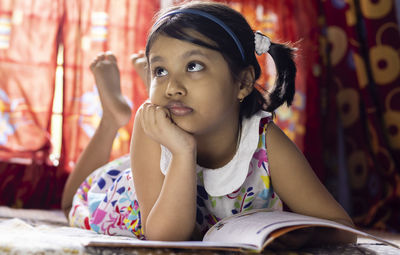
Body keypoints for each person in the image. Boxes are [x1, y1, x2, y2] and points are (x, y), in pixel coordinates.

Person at [61, 1, 356, 247]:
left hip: (165, 151)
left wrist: (300, 238)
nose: (173, 85)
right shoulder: (151, 129)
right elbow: (165, 236)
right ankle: (112, 119)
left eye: (193, 66)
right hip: (131, 199)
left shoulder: (265, 141)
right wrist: (181, 151)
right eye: (160, 70)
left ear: (242, 83)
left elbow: (342, 227)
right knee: (70, 205)